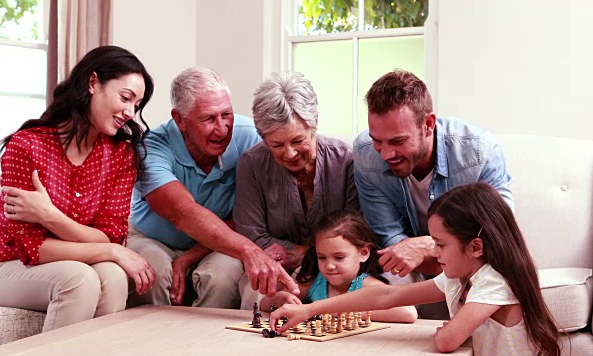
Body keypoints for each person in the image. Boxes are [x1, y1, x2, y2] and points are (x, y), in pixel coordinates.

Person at [0, 45, 156, 332]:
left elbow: (110, 235)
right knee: (79, 279)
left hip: (51, 264)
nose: (130, 112)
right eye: (125, 98)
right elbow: (32, 248)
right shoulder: (27, 146)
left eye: (136, 105)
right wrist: (112, 252)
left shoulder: (120, 155)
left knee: (114, 277)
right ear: (93, 83)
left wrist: (49, 215)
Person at [270, 183, 561, 356]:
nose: (434, 253)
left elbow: (447, 342)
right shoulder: (458, 277)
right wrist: (311, 310)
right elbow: (387, 297)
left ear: (475, 247)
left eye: (441, 244)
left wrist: (449, 329)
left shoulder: (495, 282)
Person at [127, 67, 299, 309]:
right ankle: (159, 342)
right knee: (153, 273)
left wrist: (189, 258)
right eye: (208, 119)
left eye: (226, 114)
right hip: (152, 237)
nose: (222, 129)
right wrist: (250, 251)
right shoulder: (152, 147)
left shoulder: (250, 136)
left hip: (221, 241)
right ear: (180, 120)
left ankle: (209, 345)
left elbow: (247, 213)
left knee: (221, 278)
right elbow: (182, 212)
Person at [354, 70, 513, 318]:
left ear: (428, 125)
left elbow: (500, 235)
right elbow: (389, 237)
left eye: (397, 141)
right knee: (392, 275)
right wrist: (428, 255)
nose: (385, 154)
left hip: (472, 260)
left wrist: (429, 245)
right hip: (414, 264)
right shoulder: (365, 155)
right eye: (378, 141)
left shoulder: (479, 151)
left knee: (491, 276)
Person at [234, 71, 359, 275]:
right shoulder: (251, 164)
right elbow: (252, 235)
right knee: (257, 290)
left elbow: (355, 233)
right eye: (276, 145)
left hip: (336, 268)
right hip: (273, 265)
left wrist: (309, 255)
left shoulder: (346, 161)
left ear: (315, 123)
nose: (290, 154)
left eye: (298, 141)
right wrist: (302, 252)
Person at [260, 210, 417, 323]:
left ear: (364, 252)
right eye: (322, 257)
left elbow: (408, 313)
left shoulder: (365, 284)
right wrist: (282, 298)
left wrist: (339, 311)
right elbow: (265, 304)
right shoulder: (316, 282)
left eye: (339, 257)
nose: (329, 266)